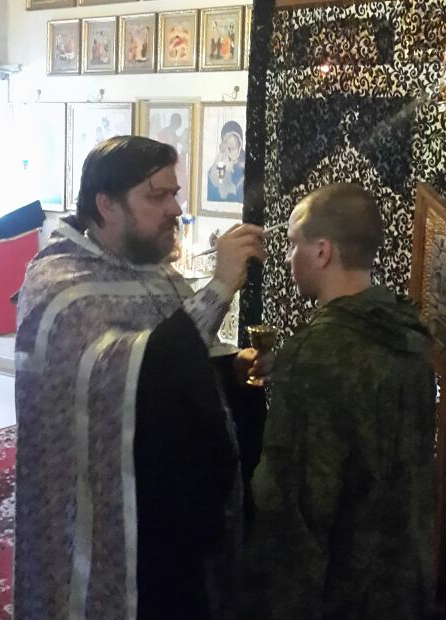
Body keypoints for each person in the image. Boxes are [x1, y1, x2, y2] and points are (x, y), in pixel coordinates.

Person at [14, 135, 270, 620]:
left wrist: (227, 370)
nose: (175, 209)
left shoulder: (158, 272)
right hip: (114, 510)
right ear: (106, 204)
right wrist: (220, 287)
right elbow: (137, 372)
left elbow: (175, 360)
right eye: (157, 196)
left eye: (174, 193)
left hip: (175, 513)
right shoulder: (60, 287)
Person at [239, 183, 436, 620]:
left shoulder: (315, 352)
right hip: (403, 584)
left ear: (322, 251)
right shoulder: (409, 337)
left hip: (340, 595)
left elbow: (291, 508)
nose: (288, 257)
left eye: (294, 244)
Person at [207, 120, 245, 203]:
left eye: (233, 137)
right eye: (228, 138)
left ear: (239, 139)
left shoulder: (245, 159)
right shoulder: (221, 157)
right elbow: (214, 179)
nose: (231, 141)